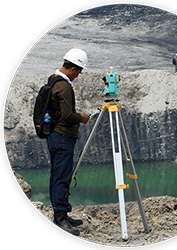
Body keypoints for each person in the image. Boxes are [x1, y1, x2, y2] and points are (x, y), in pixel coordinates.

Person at [47, 48, 90, 235]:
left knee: (58, 175)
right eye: (79, 71)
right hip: (62, 137)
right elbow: (67, 116)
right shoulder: (64, 86)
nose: (79, 75)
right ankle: (60, 219)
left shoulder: (53, 80)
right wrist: (82, 117)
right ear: (73, 68)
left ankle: (61, 213)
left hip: (56, 136)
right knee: (62, 177)